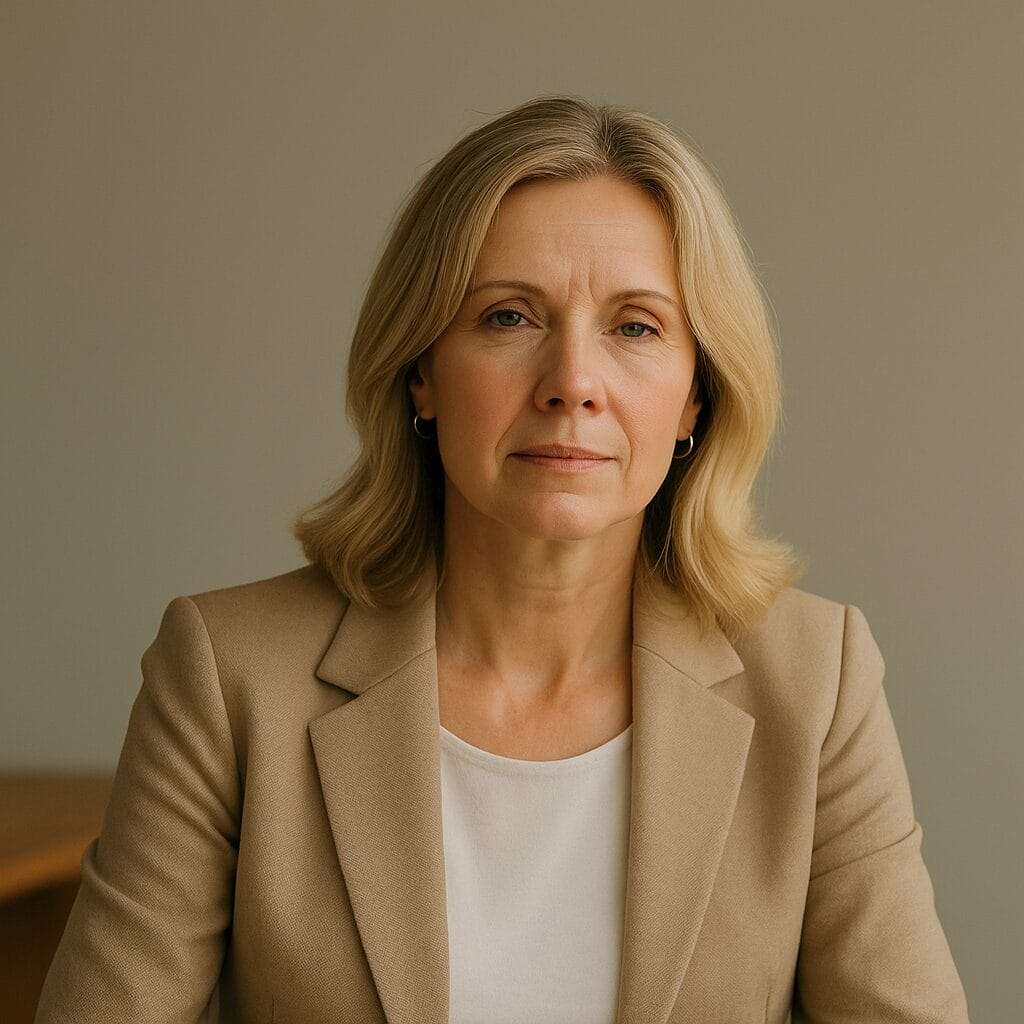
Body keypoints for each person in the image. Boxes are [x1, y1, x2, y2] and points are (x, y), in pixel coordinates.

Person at [34, 94, 970, 1024]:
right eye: (508, 318)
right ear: (420, 373)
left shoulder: (816, 683)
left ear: (695, 398)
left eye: (636, 326)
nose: (572, 383)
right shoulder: (231, 675)